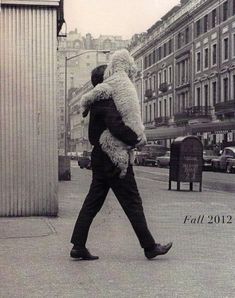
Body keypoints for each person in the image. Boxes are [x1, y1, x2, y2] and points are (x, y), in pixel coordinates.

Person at [70, 64, 172, 260]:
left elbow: (96, 135)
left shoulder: (95, 103)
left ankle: (78, 245)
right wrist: (136, 139)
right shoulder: (106, 100)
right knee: (132, 202)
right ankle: (150, 247)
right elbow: (116, 126)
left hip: (100, 159)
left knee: (92, 203)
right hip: (114, 160)